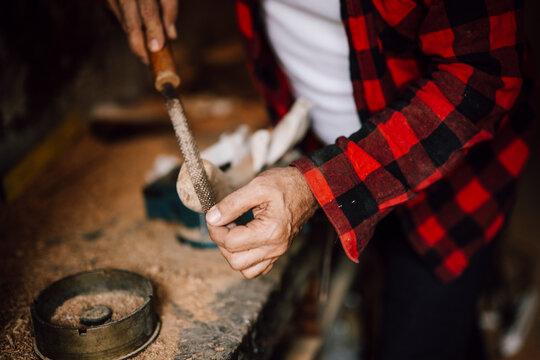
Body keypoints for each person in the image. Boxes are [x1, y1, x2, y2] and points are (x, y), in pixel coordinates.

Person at [107, 0, 533, 358]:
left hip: (451, 185)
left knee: (426, 334)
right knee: (370, 302)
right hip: (322, 155)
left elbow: (484, 74)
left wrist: (313, 186)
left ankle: (492, 301)